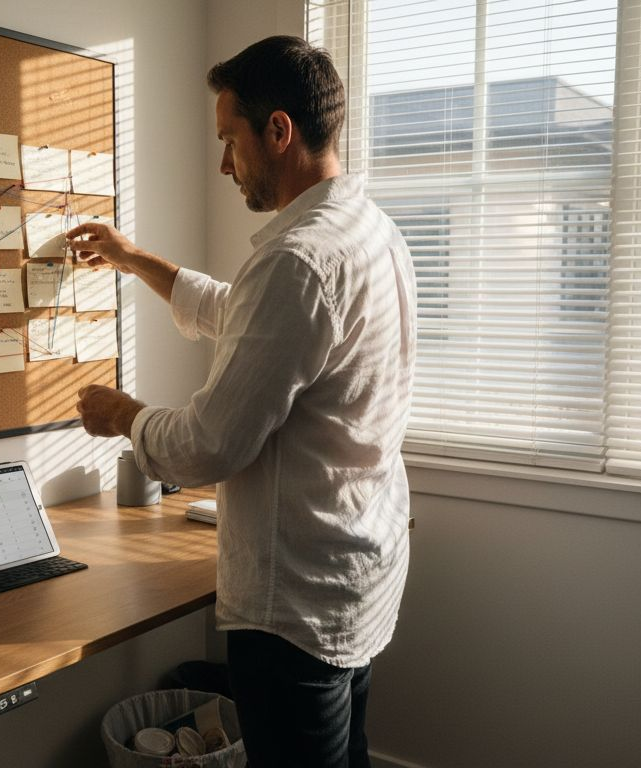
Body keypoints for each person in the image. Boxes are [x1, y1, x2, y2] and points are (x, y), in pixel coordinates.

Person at [68, 35, 415, 768]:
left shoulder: (297, 261)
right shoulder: (370, 231)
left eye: (230, 140)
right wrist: (134, 260)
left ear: (278, 132)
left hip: (298, 605)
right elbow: (249, 320)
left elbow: (209, 446)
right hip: (358, 573)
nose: (224, 163)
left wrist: (124, 417)